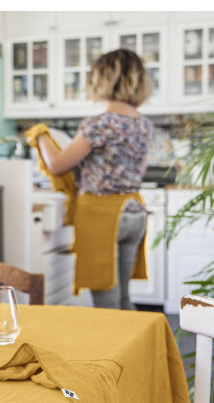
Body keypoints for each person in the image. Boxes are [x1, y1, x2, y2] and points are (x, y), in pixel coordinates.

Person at [34, 48, 153, 310]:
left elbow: (56, 164)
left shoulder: (99, 124)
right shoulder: (145, 125)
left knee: (107, 303)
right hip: (134, 211)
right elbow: (139, 169)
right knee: (123, 298)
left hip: (103, 216)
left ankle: (114, 351)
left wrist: (40, 135)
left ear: (101, 80)